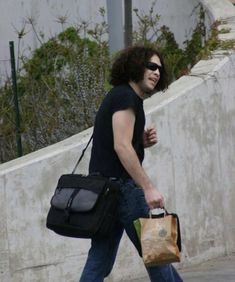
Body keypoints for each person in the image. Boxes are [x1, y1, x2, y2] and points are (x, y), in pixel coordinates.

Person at [80, 45, 183, 282]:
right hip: (123, 190)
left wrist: (140, 142)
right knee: (157, 254)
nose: (157, 72)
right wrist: (148, 187)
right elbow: (121, 147)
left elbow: (119, 144)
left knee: (99, 262)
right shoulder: (125, 96)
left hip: (106, 192)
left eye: (159, 68)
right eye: (151, 66)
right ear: (136, 66)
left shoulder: (123, 96)